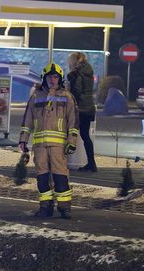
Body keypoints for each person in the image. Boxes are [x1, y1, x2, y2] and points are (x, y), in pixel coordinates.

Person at [18, 63, 79, 219]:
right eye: (50, 77)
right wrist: (23, 141)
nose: (53, 79)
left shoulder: (67, 97)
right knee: (42, 178)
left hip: (59, 146)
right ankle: (45, 207)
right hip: (39, 147)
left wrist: (72, 141)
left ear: (60, 79)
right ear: (44, 78)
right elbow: (27, 121)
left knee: (60, 178)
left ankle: (64, 208)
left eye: (56, 77)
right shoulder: (36, 97)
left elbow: (73, 122)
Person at [67, 51, 97, 172]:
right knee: (85, 135)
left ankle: (61, 161)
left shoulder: (77, 73)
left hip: (80, 108)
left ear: (73, 61)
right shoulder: (88, 70)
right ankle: (91, 163)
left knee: (69, 132)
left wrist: (68, 93)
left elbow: (77, 90)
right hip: (89, 107)